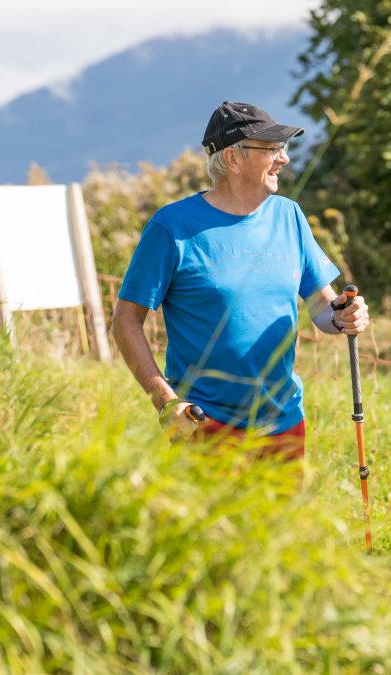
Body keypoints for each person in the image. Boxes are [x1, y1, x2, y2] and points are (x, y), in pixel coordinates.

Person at [112, 101, 369, 459]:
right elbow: (126, 320)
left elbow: (321, 305)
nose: (285, 159)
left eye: (284, 148)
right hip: (204, 425)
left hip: (283, 424)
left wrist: (343, 315)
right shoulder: (172, 226)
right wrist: (165, 403)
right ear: (233, 159)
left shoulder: (289, 215)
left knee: (281, 519)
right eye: (273, 149)